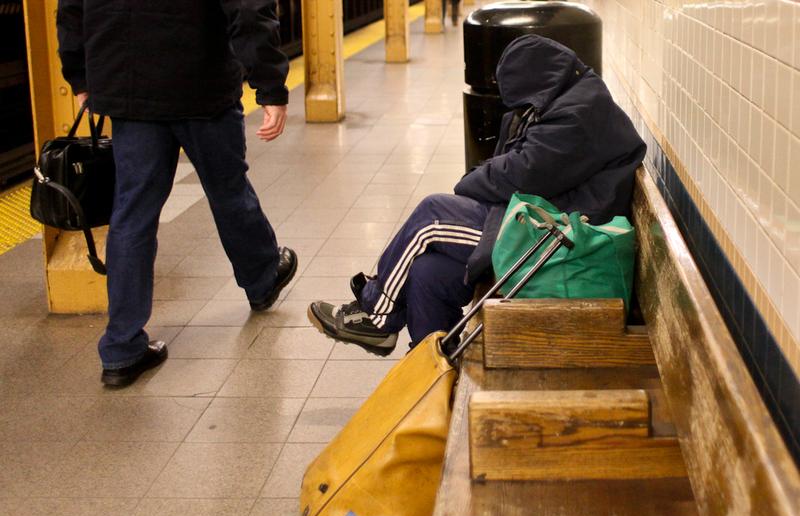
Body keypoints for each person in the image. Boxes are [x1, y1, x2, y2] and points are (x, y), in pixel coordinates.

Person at [308, 34, 646, 355]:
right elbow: (513, 168)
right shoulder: (572, 99)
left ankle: (376, 316)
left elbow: (520, 173)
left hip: (563, 243)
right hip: (546, 222)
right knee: (427, 272)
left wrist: (469, 182)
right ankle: (438, 369)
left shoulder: (577, 117)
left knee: (432, 216)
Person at [56, 0, 298, 387]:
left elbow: (71, 8)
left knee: (132, 214)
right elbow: (249, 8)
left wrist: (81, 76)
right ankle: (262, 278)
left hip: (130, 88)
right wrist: (269, 85)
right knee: (228, 191)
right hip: (202, 89)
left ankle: (121, 349)